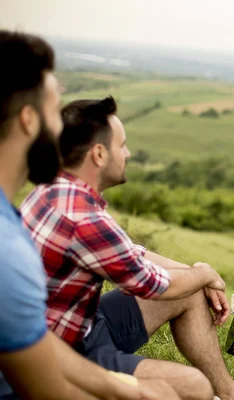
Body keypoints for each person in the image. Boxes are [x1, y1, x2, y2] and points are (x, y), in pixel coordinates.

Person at [20, 96, 234, 400]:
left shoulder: (52, 190)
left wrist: (194, 276)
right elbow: (155, 285)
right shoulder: (85, 219)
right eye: (122, 145)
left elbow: (127, 252)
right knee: (192, 385)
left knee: (190, 287)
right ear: (100, 154)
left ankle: (232, 396)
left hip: (83, 323)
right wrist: (205, 272)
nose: (127, 153)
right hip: (65, 354)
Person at [0, 30, 179, 400]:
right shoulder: (8, 252)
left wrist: (130, 389)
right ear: (30, 120)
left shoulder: (13, 219)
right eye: (55, 113)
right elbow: (45, 387)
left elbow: (36, 344)